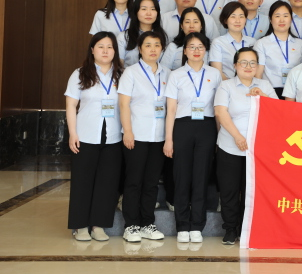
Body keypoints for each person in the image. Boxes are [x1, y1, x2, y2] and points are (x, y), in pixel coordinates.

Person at [214, 47, 278, 245]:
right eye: (243, 62)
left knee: (251, 191)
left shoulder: (264, 85)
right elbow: (221, 112)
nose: (248, 66)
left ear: (257, 66)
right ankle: (230, 229)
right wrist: (238, 136)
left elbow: (278, 112)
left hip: (257, 150)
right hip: (229, 146)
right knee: (229, 190)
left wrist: (263, 97)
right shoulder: (226, 86)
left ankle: (246, 229)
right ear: (235, 65)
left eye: (252, 63)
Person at [163, 32, 222, 243]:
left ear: (205, 50)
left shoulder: (214, 74)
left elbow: (218, 108)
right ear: (185, 51)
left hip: (207, 127)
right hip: (183, 126)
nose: (196, 51)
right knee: (182, 177)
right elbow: (171, 109)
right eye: (192, 47)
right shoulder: (176, 75)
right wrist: (168, 139)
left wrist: (219, 136)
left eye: (200, 47)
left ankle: (197, 225)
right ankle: (182, 225)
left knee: (201, 177)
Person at [65, 32, 123, 242]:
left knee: (107, 183)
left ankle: (99, 226)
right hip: (85, 136)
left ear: (115, 51)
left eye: (109, 47)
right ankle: (80, 226)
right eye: (100, 46)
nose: (105, 51)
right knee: (82, 181)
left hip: (113, 137)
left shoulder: (122, 75)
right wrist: (73, 132)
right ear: (92, 49)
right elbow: (71, 104)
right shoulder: (80, 73)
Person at [117, 31, 169, 242]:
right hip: (136, 135)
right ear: (140, 49)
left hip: (158, 136)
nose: (153, 49)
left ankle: (148, 223)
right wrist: (128, 131)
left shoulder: (167, 73)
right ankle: (131, 226)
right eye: (148, 45)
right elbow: (123, 104)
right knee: (134, 181)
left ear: (162, 48)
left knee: (151, 182)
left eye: (157, 45)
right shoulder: (131, 73)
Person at [254, 1, 302, 98]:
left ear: (291, 19)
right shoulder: (262, 43)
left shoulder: (301, 44)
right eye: (277, 16)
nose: (282, 20)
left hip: (295, 93)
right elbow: (258, 75)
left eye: (285, 16)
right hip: (269, 93)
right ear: (270, 19)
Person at [209, 2, 256, 80]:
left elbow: (257, 69)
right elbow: (218, 72)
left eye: (241, 16)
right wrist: (233, 86)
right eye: (233, 17)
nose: (237, 21)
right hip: (226, 85)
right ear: (225, 20)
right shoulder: (218, 43)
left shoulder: (252, 42)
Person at [120, 0, 166, 67]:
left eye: (153, 9)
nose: (148, 13)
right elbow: (119, 65)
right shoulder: (124, 37)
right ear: (136, 12)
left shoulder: (162, 36)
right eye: (144, 9)